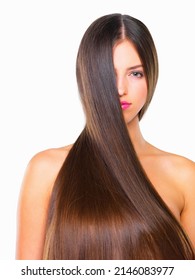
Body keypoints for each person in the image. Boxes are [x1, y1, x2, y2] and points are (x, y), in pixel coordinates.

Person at [16, 13, 195, 260]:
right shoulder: (47, 169)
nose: (120, 89)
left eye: (135, 74)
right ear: (88, 76)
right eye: (108, 73)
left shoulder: (184, 175)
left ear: (151, 77)